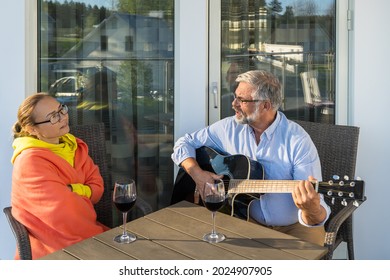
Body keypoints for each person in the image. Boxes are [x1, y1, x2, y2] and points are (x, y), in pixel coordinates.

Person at [171, 70, 331, 245]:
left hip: (294, 226)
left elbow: (315, 211)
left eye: (242, 100)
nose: (233, 104)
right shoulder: (228, 128)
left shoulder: (298, 141)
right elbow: (183, 143)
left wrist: (311, 210)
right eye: (235, 97)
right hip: (242, 219)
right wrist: (198, 175)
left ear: (265, 105)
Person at [10, 93, 109, 259]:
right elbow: (64, 214)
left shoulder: (74, 146)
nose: (63, 117)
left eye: (61, 109)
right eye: (53, 117)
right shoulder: (30, 162)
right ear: (32, 129)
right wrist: (85, 191)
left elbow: (98, 189)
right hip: (55, 245)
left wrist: (72, 190)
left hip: (86, 232)